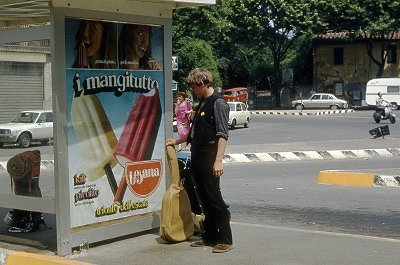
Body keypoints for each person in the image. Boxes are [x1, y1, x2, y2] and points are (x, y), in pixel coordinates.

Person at [166, 68, 233, 253]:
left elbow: (222, 135)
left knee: (214, 198)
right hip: (197, 154)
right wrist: (178, 140)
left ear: (205, 84)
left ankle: (225, 238)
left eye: (195, 87)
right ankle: (210, 235)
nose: (193, 91)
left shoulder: (218, 103)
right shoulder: (202, 102)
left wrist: (218, 161)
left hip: (210, 156)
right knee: (204, 198)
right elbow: (194, 131)